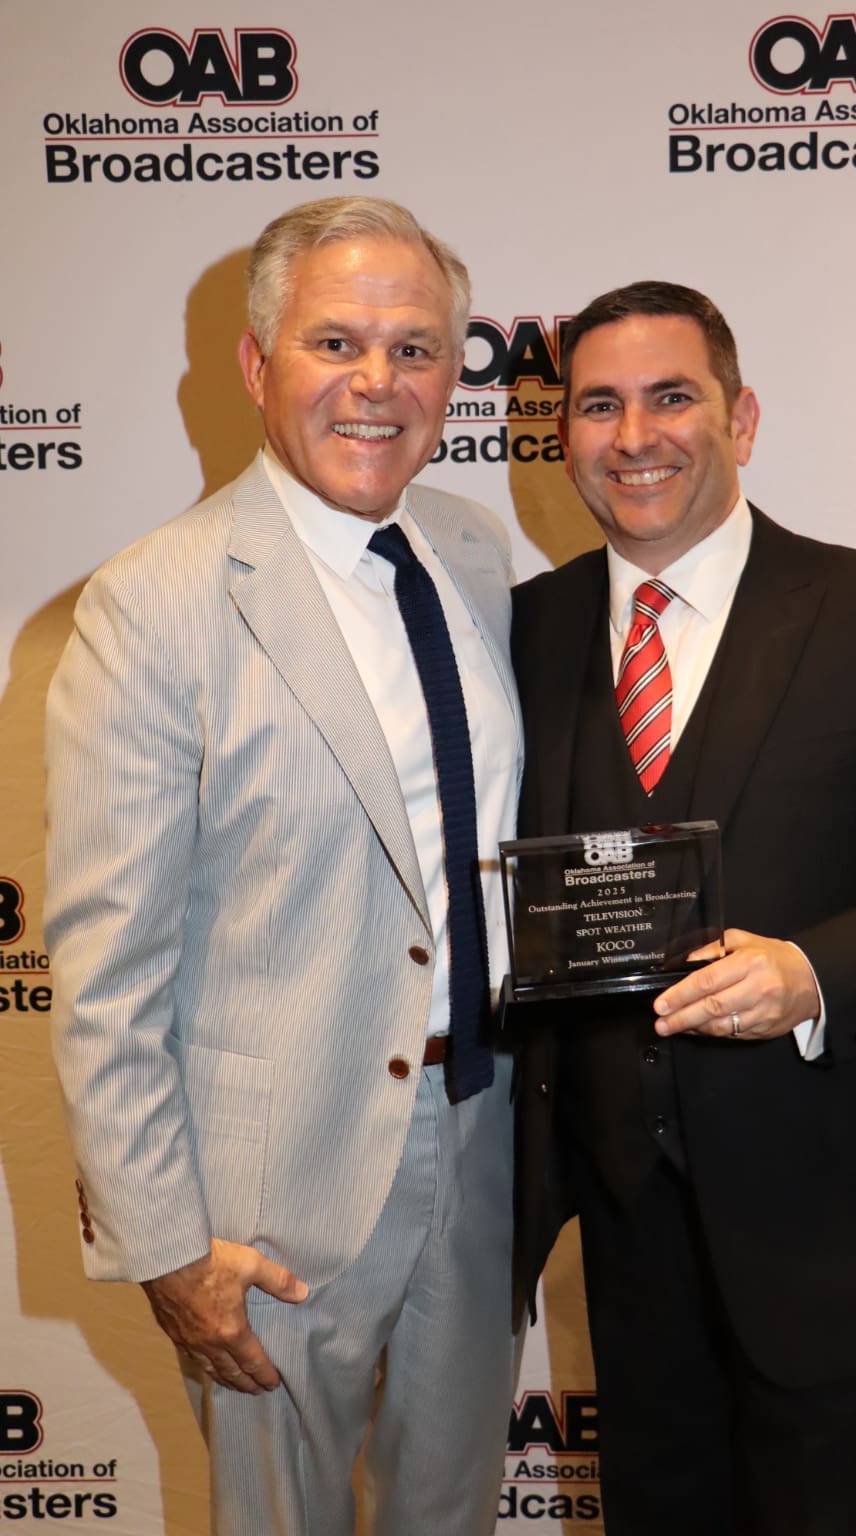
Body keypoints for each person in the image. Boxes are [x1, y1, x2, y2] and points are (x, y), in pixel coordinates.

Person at [511, 280, 856, 1536]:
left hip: (826, 1226)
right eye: (599, 406)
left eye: (671, 397)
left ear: (740, 418)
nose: (635, 436)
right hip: (621, 1231)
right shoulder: (524, 630)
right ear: (563, 435)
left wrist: (814, 975)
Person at [45, 196, 522, 1536]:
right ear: (259, 366)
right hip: (269, 1198)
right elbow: (105, 970)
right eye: (336, 343)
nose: (378, 382)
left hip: (485, 1131)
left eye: (415, 349)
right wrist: (165, 1245)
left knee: (455, 1514)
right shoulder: (154, 602)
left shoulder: (472, 550)